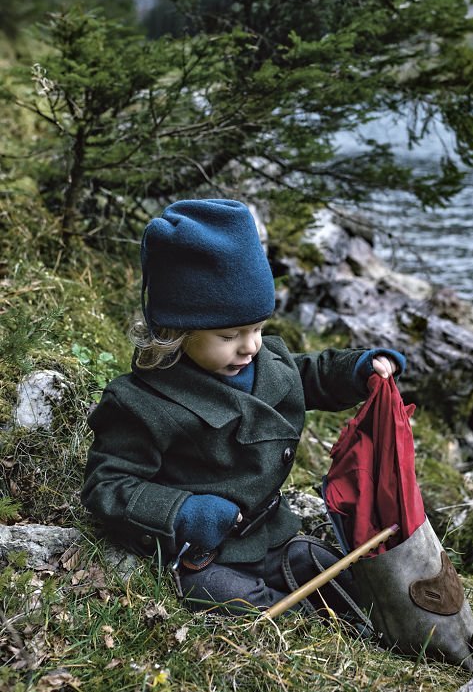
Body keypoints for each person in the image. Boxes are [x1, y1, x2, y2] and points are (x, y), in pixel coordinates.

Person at [81, 198, 404, 620]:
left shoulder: (265, 359)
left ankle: (382, 627)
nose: (250, 346)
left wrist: (360, 370)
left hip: (271, 536)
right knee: (260, 610)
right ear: (175, 331)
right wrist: (183, 512)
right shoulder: (141, 403)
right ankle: (303, 630)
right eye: (230, 335)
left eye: (257, 328)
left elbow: (310, 375)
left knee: (347, 582)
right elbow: (107, 485)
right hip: (201, 555)